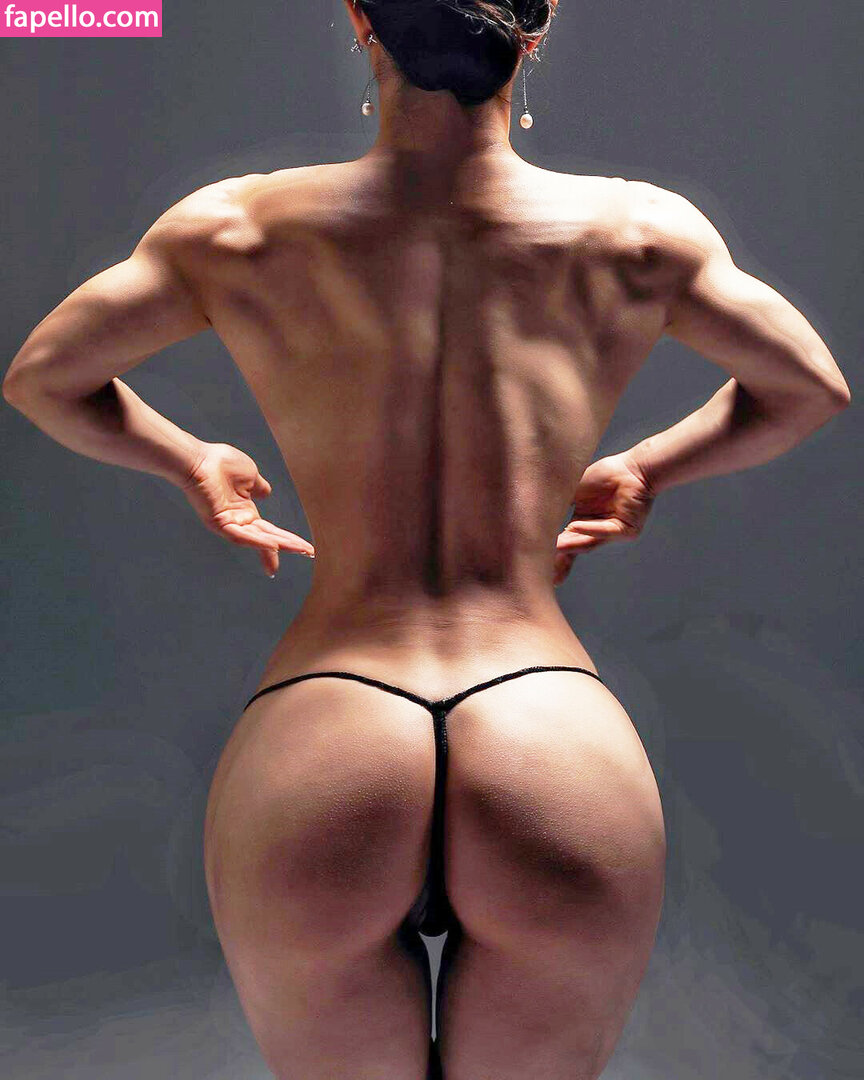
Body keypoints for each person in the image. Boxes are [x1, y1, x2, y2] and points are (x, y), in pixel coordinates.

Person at [3, 1, 850, 1077]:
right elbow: (808, 386)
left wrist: (192, 460)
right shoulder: (641, 235)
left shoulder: (237, 228)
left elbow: (46, 376)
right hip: (547, 725)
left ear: (361, 17)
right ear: (536, 30)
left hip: (330, 719)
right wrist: (645, 467)